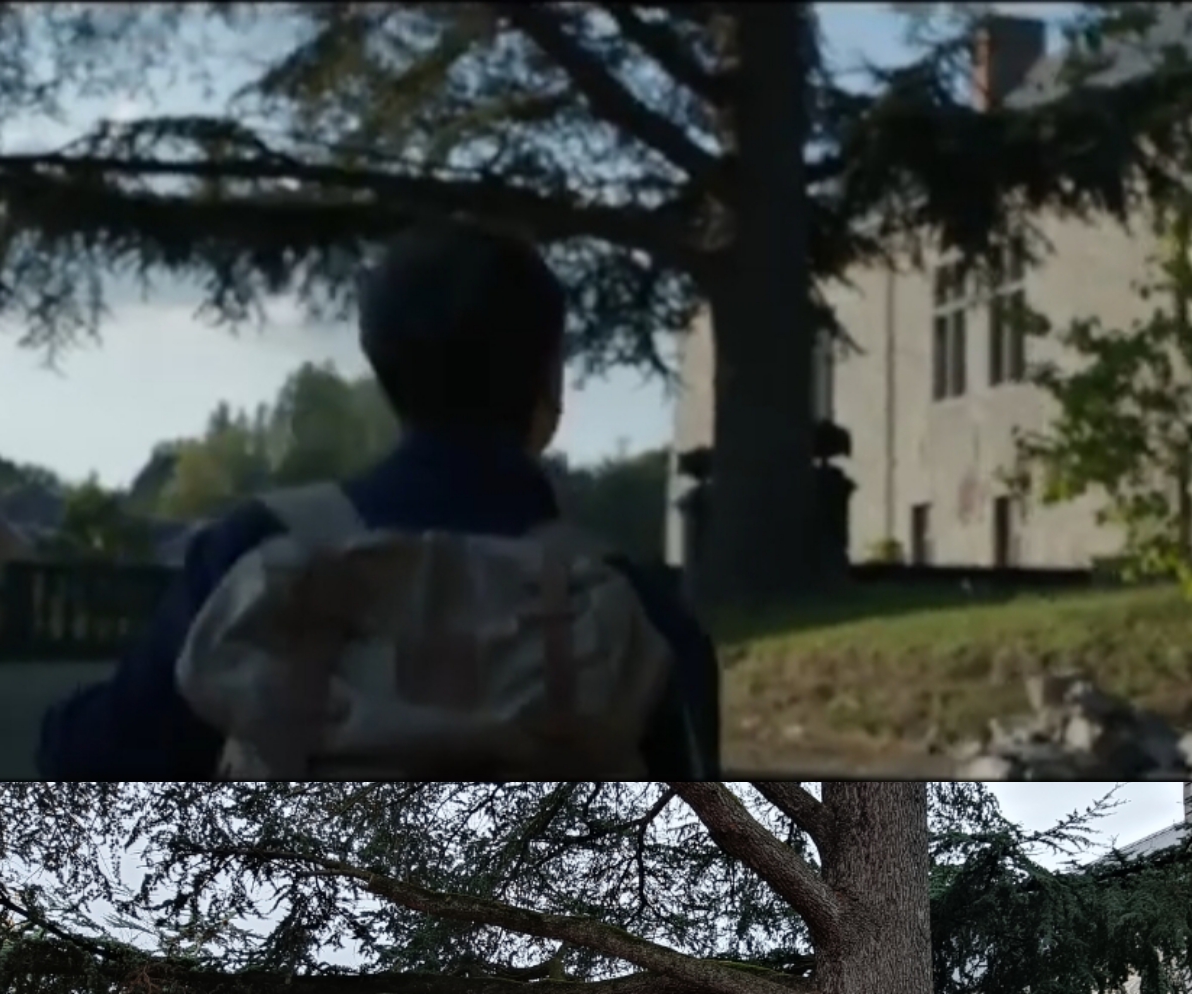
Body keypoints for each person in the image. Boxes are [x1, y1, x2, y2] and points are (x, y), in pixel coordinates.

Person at [38, 220, 719, 779]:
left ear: (379, 357)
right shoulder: (636, 603)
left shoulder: (260, 548)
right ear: (550, 380)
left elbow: (101, 757)